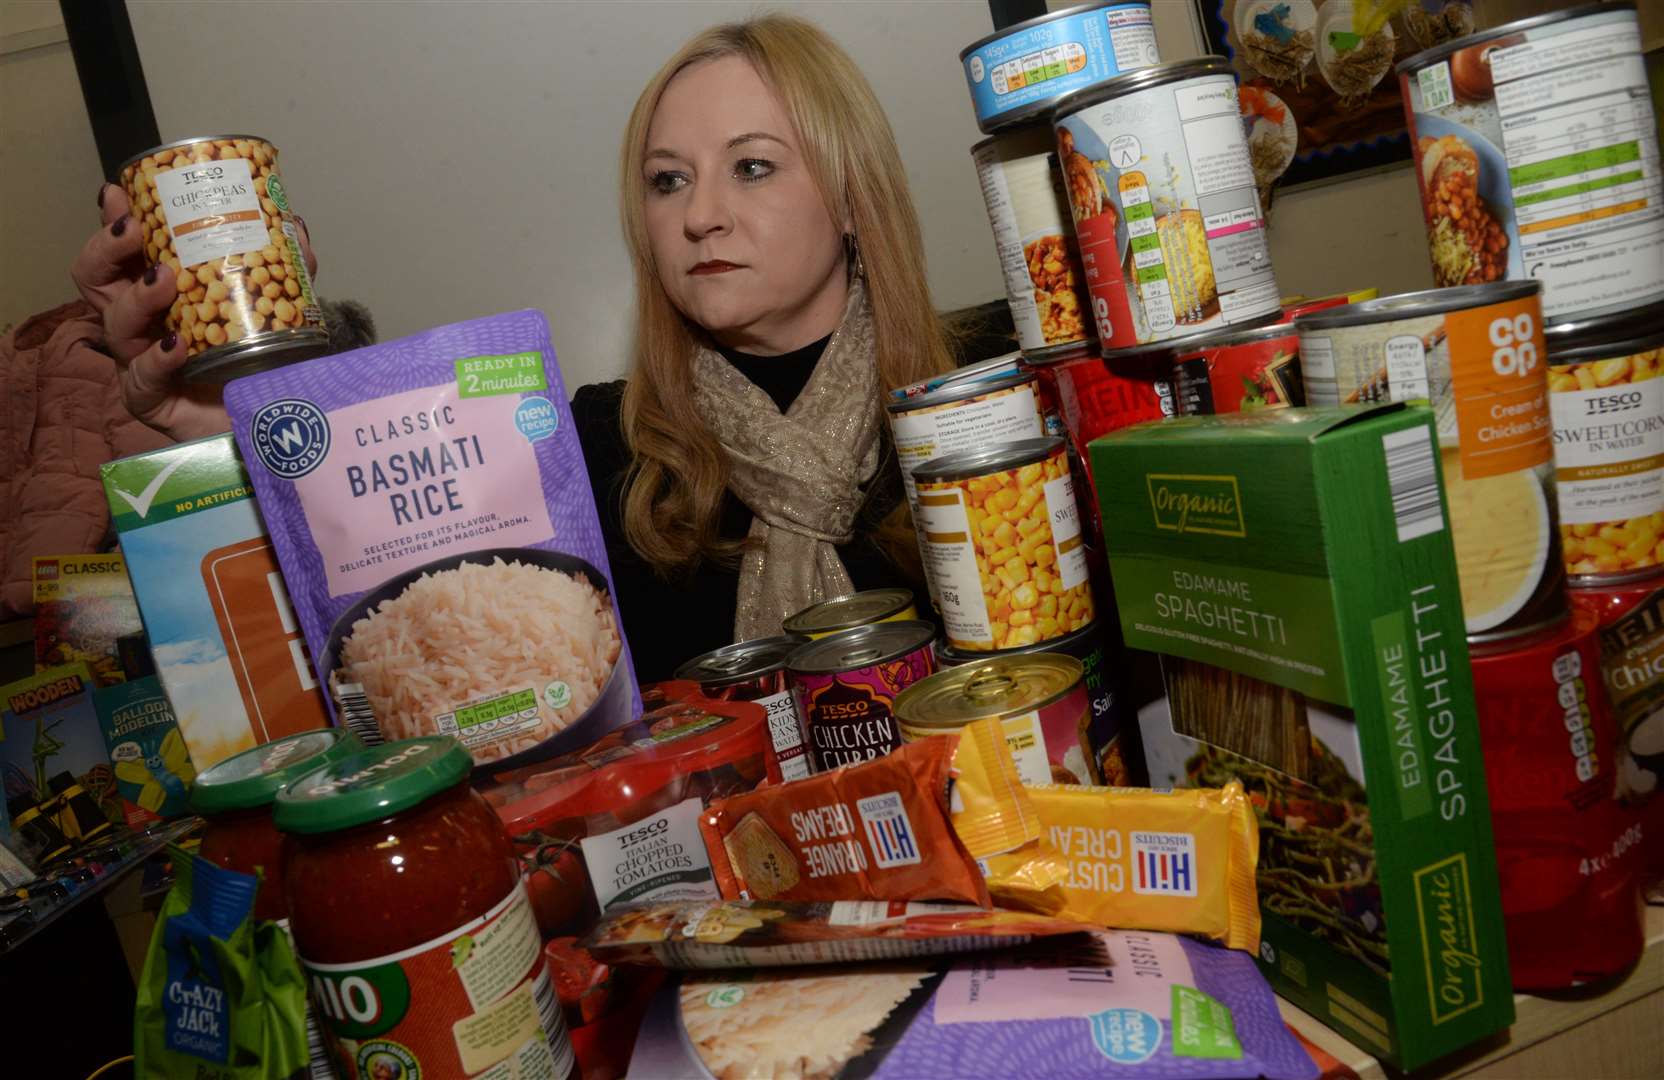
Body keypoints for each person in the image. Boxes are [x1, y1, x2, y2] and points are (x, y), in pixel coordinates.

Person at [55, 13, 956, 680]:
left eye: (752, 165)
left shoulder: (974, 407)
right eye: (667, 180)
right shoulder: (590, 448)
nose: (700, 214)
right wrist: (229, 432)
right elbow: (376, 647)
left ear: (850, 195)